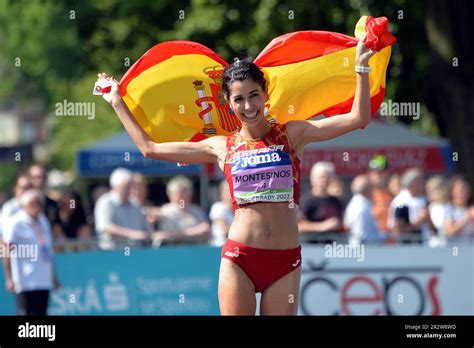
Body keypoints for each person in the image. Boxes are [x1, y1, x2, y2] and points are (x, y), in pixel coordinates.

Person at [98, 38, 375, 315]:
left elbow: (358, 118)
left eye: (254, 95)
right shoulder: (221, 146)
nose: (248, 105)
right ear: (229, 104)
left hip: (285, 260)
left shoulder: (293, 134)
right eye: (239, 99)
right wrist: (116, 101)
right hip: (239, 258)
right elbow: (150, 149)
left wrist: (361, 68)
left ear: (265, 94)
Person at [2, 189, 60, 315]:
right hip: (25, 280)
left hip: (43, 279)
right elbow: (6, 250)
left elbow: (48, 252)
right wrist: (9, 277)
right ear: (23, 206)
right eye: (31, 204)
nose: (35, 208)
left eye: (38, 204)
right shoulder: (15, 223)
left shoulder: (43, 222)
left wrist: (53, 277)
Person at [94, 168, 152, 250]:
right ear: (116, 186)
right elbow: (105, 227)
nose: (129, 189)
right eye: (126, 187)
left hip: (136, 253)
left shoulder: (135, 203)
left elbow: (145, 227)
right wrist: (132, 234)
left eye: (130, 186)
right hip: (112, 253)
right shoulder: (105, 202)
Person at [153, 176, 211, 246]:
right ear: (170, 195)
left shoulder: (197, 211)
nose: (182, 196)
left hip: (197, 249)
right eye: (178, 193)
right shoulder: (166, 210)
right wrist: (194, 231)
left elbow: (206, 229)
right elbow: (166, 234)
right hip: (174, 249)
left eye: (185, 193)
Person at [298, 162, 344, 244]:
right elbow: (299, 226)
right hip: (312, 247)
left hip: (334, 247)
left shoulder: (336, 201)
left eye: (328, 177)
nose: (325, 180)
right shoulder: (306, 201)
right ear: (313, 178)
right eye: (322, 177)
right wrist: (323, 226)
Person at [387, 168, 436, 244]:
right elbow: (397, 232)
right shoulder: (401, 202)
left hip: (425, 247)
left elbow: (435, 231)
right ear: (413, 184)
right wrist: (418, 221)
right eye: (421, 182)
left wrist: (428, 220)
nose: (424, 185)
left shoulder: (423, 200)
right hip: (407, 249)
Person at [344, 174, 384, 245]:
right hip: (365, 251)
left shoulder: (356, 205)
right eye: (372, 188)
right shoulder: (361, 208)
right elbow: (360, 235)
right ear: (368, 190)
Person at [1, 174, 33, 239]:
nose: (26, 191)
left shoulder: (37, 207)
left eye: (29, 188)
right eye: (23, 188)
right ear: (16, 189)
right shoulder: (9, 208)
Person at [444, 175, 474, 243]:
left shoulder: (471, 209)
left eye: (464, 190)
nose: (461, 194)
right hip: (454, 250)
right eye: (458, 190)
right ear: (452, 192)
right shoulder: (448, 209)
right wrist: (467, 219)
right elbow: (450, 231)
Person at [368, 154, 393, 233]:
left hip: (392, 242)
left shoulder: (394, 195)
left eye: (381, 172)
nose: (377, 176)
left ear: (387, 173)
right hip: (373, 241)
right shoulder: (366, 196)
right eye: (374, 172)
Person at [209, 180, 234, 247]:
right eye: (228, 190)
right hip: (219, 247)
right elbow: (224, 229)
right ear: (222, 193)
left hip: (235, 246)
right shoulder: (217, 207)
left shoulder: (240, 210)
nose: (231, 193)